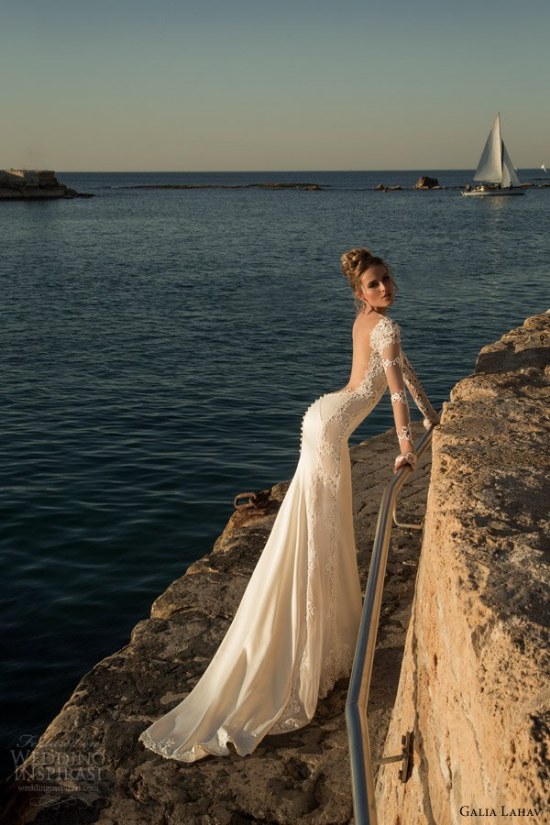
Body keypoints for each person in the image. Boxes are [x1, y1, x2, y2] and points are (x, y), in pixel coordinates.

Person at [139, 247, 439, 762]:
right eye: (373, 284)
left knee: (311, 536)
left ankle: (316, 643)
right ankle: (305, 651)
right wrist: (407, 445)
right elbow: (392, 392)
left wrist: (434, 416)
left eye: (386, 279)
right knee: (319, 540)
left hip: (323, 420)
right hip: (327, 433)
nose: (384, 288)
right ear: (359, 292)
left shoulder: (368, 322)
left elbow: (404, 375)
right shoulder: (383, 327)